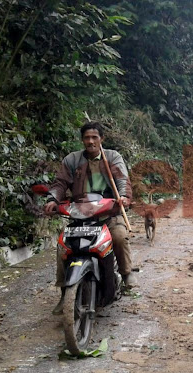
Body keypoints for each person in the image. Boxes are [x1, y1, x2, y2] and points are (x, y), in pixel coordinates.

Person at [44, 121, 137, 315]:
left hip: (108, 212)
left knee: (119, 236)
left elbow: (122, 179)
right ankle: (64, 291)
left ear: (102, 139)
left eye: (95, 137)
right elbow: (59, 183)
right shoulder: (72, 160)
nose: (91, 141)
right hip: (81, 215)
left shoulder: (112, 157)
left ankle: (126, 273)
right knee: (64, 245)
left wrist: (124, 197)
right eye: (87, 137)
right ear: (82, 140)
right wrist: (53, 199)